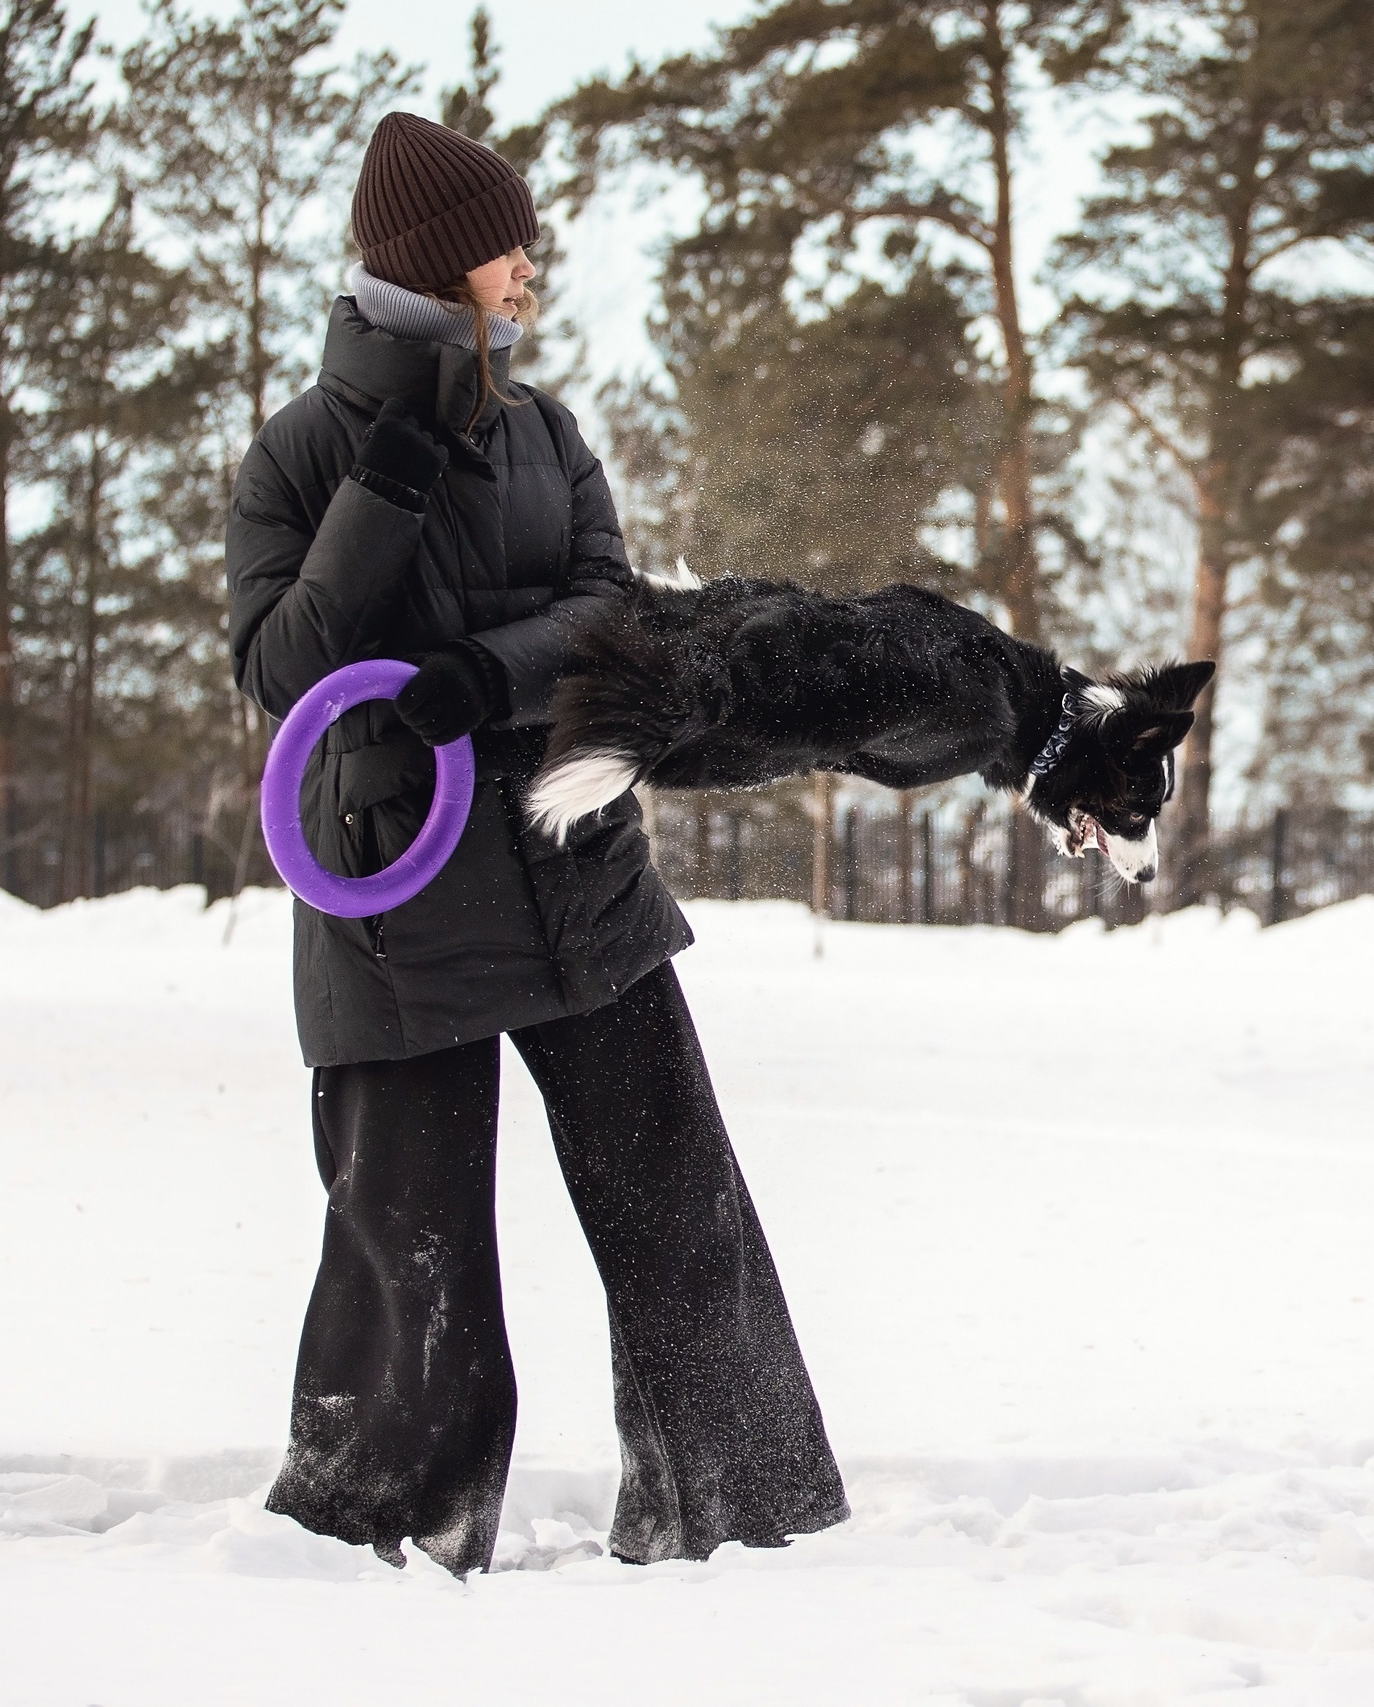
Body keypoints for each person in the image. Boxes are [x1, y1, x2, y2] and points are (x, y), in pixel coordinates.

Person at [224, 111, 848, 1576]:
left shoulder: (545, 433)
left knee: (679, 1201)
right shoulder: (301, 453)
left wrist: (479, 677)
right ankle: (375, 1532)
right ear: (441, 261)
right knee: (410, 1245)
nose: (528, 266)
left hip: (577, 871)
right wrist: (386, 488)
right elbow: (282, 666)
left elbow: (612, 615)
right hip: (395, 898)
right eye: (508, 243)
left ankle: (738, 1512)